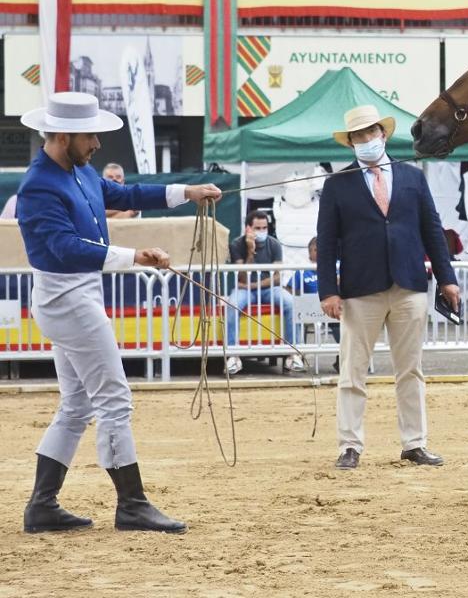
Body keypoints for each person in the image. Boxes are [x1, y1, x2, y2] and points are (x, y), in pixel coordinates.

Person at [17, 92, 221, 534]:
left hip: (77, 298)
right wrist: (135, 256)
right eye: (90, 135)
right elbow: (65, 249)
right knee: (114, 400)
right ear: (64, 135)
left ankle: (42, 505)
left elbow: (126, 192)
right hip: (67, 300)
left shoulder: (80, 171)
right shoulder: (38, 186)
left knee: (77, 405)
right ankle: (131, 503)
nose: (96, 144)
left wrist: (187, 191)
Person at [318, 104, 459, 470]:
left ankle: (415, 443)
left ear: (383, 134)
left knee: (410, 369)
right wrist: (328, 291)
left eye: (371, 133)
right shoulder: (336, 184)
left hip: (409, 284)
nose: (366, 140)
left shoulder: (413, 177)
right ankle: (350, 445)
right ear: (350, 143)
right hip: (359, 289)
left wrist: (448, 279)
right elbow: (326, 241)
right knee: (353, 370)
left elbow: (433, 230)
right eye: (358, 136)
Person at [224, 210, 303, 375]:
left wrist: (253, 286)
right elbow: (242, 277)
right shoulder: (237, 244)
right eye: (257, 228)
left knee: (290, 303)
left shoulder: (274, 244)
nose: (262, 231)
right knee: (232, 304)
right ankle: (233, 355)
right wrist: (250, 252)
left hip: (267, 289)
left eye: (264, 227)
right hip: (244, 289)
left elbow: (277, 278)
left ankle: (293, 353)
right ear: (248, 228)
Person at [292, 236, 341, 372]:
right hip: (309, 314)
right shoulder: (302, 271)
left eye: (321, 249)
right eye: (315, 250)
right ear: (309, 252)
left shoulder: (337, 266)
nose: (318, 252)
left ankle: (343, 358)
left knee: (341, 325)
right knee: (296, 321)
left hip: (333, 311)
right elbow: (291, 291)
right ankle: (298, 356)